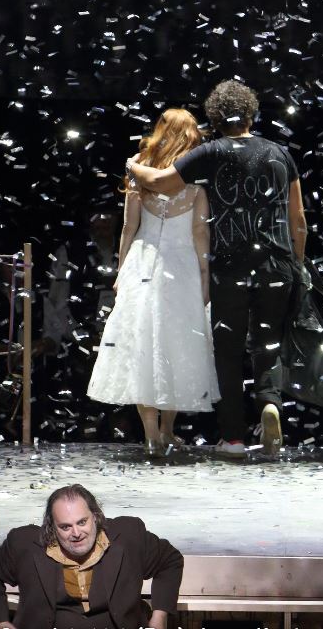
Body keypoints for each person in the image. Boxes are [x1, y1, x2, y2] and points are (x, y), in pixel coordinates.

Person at [126, 81, 307, 457]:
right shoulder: (280, 154)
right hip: (276, 265)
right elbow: (299, 221)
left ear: (214, 117)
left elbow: (158, 182)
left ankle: (234, 439)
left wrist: (132, 165)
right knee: (268, 342)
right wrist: (297, 264)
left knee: (227, 351)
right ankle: (270, 403)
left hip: (230, 267)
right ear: (252, 114)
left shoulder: (209, 153)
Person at [87, 108, 220, 456]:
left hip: (143, 264)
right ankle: (166, 430)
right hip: (182, 268)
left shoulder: (139, 175)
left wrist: (121, 270)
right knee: (176, 345)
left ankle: (150, 434)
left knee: (142, 346)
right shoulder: (195, 184)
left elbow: (128, 228)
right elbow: (200, 235)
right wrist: (204, 279)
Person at [0, 483, 183, 629]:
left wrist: (160, 617)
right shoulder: (25, 544)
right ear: (52, 527)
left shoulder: (129, 535)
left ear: (95, 516)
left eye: (82, 522)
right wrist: (1, 622)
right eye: (65, 527)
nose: (76, 533)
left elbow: (170, 560)